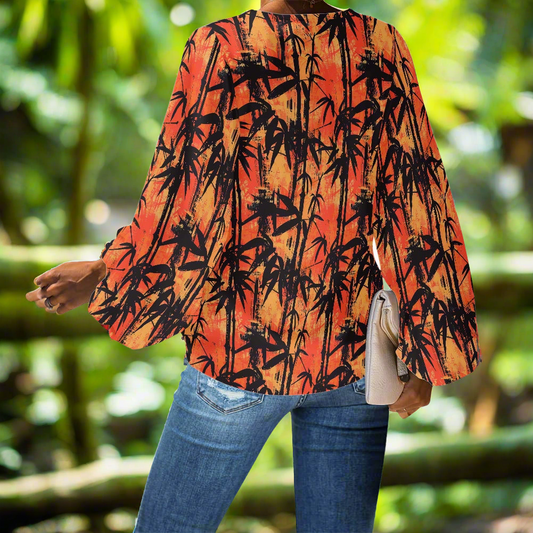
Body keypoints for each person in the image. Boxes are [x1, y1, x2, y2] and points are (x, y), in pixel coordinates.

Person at [26, 0, 482, 530]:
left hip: (239, 353)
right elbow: (418, 206)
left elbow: (187, 205)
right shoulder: (379, 48)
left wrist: (108, 272)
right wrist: (425, 353)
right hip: (352, 360)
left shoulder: (223, 48)